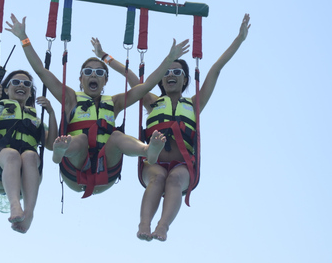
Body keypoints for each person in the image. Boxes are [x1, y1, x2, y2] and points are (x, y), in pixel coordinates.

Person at [94, 14, 251, 241]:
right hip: (154, 162)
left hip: (183, 164)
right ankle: (144, 224)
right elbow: (129, 75)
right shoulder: (151, 101)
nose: (171, 75)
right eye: (167, 72)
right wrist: (103, 56)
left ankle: (163, 226)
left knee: (175, 180)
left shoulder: (195, 104)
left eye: (177, 72)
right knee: (158, 179)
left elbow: (216, 69)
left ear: (185, 80)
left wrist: (239, 40)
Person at [5, 13, 190, 198]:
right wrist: (24, 38)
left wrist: (169, 59)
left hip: (107, 170)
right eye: (88, 72)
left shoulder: (115, 103)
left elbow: (146, 86)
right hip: (73, 168)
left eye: (99, 72)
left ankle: (146, 150)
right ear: (81, 79)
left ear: (105, 80)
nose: (93, 75)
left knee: (117, 135)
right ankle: (59, 152)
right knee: (81, 139)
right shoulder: (70, 97)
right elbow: (40, 71)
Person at [0, 70, 57, 233]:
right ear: (6, 90)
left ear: (29, 93)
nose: (21, 85)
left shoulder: (35, 119)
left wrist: (51, 113)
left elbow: (51, 145)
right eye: (16, 82)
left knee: (30, 155)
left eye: (26, 84)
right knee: (12, 155)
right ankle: (15, 205)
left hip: (25, 180)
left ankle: (29, 213)